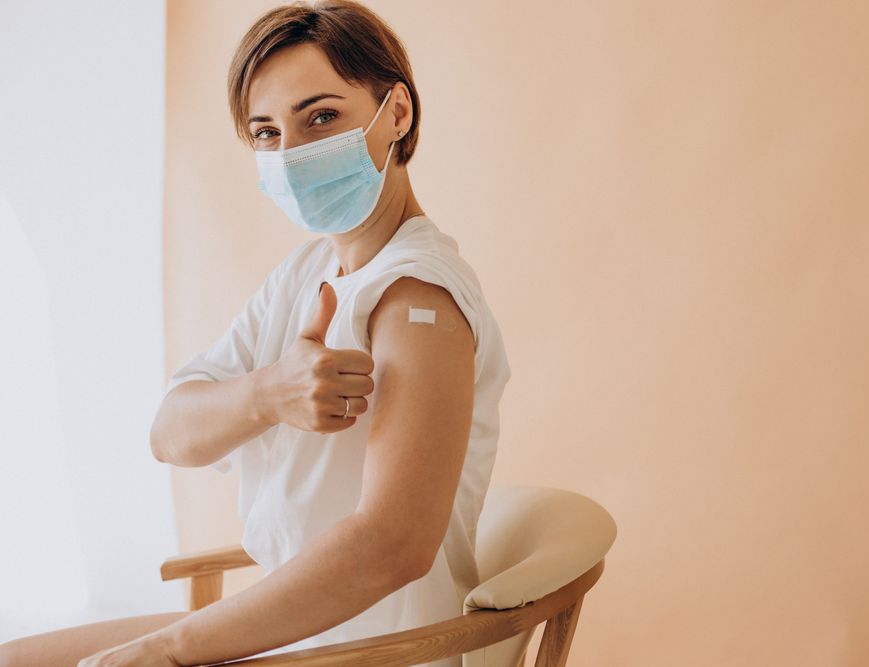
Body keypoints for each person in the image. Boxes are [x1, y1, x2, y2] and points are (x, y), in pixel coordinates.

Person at [0, 1, 510, 665]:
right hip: (294, 630)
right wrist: (273, 391)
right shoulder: (307, 272)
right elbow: (171, 433)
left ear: (398, 114)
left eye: (320, 117)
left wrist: (170, 647)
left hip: (366, 649)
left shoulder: (418, 294)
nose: (292, 154)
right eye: (267, 132)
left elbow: (394, 544)